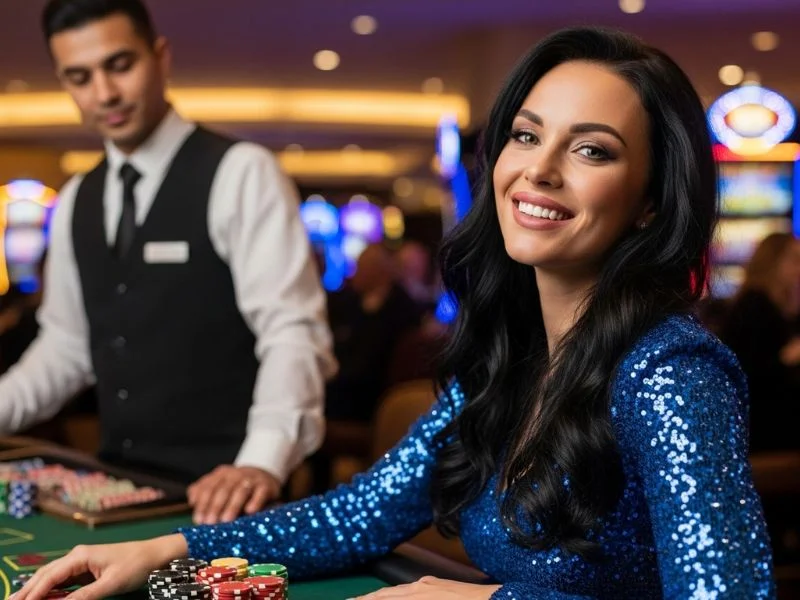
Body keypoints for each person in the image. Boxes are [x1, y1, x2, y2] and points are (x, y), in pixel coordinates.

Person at [15, 26, 775, 600]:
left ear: (650, 201)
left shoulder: (671, 371)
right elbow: (355, 516)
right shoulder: (503, 365)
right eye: (525, 134)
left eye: (592, 151)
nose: (537, 170)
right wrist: (163, 548)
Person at [0, 0, 336, 526]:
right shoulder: (73, 201)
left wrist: (259, 463)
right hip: (119, 489)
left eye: (120, 65)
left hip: (229, 496)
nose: (104, 94)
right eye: (79, 77)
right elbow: (66, 348)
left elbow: (293, 335)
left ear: (161, 57)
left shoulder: (240, 173)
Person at [718, 232, 800, 453]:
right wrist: (787, 358)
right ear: (773, 263)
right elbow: (745, 374)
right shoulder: (754, 306)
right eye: (794, 260)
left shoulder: (780, 306)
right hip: (763, 434)